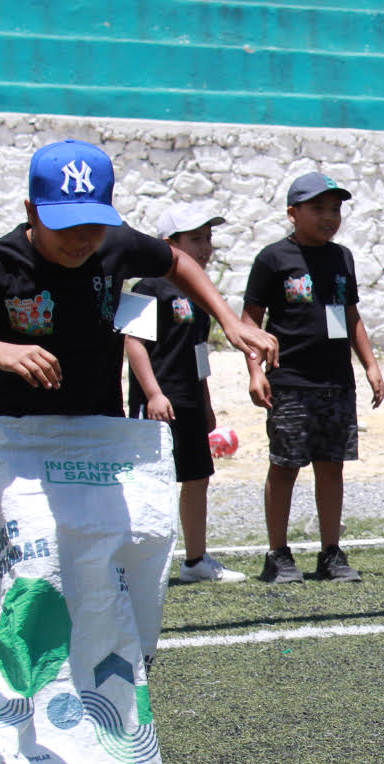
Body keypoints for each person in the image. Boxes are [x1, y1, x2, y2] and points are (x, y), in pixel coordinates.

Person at [0, 139, 279, 764]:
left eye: (92, 223)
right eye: (65, 224)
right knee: (36, 586)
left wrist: (232, 322)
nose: (82, 239)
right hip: (23, 446)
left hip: (101, 442)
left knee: (115, 586)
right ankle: (29, 756)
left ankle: (115, 755)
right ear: (31, 211)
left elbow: (175, 261)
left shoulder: (112, 246)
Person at [242, 171, 384, 584]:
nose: (329, 217)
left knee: (332, 465)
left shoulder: (342, 258)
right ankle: (278, 554)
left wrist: (370, 364)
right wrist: (255, 371)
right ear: (293, 213)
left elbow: (351, 314)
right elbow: (249, 321)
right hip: (289, 381)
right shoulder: (273, 259)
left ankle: (330, 553)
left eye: (335, 209)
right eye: (318, 208)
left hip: (336, 381)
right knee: (285, 466)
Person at [126, 201, 247, 583]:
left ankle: (196, 561)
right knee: (151, 483)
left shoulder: (200, 292)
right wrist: (153, 394)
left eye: (208, 238)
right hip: (158, 403)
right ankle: (142, 564)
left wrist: (206, 402)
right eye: (196, 239)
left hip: (190, 401)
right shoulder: (147, 286)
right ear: (168, 244)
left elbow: (198, 350)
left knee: (197, 478)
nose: (205, 247)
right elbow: (133, 342)